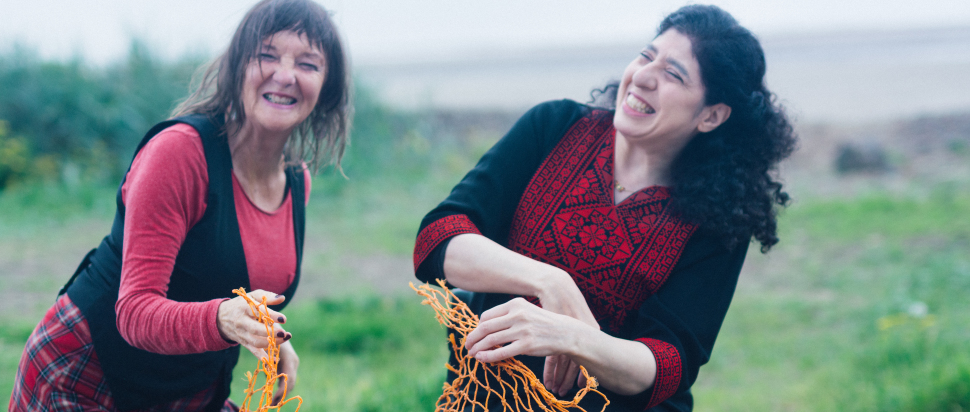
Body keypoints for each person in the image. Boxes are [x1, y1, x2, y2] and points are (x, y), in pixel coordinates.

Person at [413, 5, 796, 411]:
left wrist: (575, 338)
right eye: (647, 56)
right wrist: (551, 283)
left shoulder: (718, 217)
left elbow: (669, 365)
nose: (644, 76)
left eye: (674, 74)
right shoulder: (553, 127)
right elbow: (438, 239)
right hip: (485, 398)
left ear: (711, 115)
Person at [9, 0, 350, 410]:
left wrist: (270, 337)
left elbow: (236, 287)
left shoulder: (297, 181)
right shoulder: (180, 154)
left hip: (184, 391)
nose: (285, 75)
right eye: (267, 55)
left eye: (308, 64)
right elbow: (134, 312)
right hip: (87, 376)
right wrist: (225, 320)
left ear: (326, 87)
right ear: (237, 67)